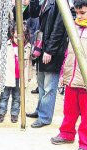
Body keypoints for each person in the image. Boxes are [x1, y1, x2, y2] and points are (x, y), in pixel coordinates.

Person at [51, 0, 87, 150]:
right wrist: (63, 73)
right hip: (72, 79)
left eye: (83, 13)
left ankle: (86, 145)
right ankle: (66, 134)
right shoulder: (74, 25)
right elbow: (69, 52)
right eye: (77, 13)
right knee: (69, 110)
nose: (79, 16)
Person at [26, 0, 68, 128]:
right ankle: (40, 111)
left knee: (49, 86)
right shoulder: (45, 2)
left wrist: (50, 50)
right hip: (42, 46)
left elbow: (59, 28)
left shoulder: (60, 3)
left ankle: (45, 117)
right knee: (41, 84)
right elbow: (32, 14)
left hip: (52, 49)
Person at [0, 22, 31, 123]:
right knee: (4, 96)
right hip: (7, 76)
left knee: (17, 97)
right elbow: (0, 60)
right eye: (16, 37)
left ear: (26, 36)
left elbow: (29, 63)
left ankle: (14, 114)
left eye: (21, 38)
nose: (18, 40)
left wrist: (28, 76)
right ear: (12, 34)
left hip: (19, 77)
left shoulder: (27, 47)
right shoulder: (7, 45)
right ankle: (1, 113)